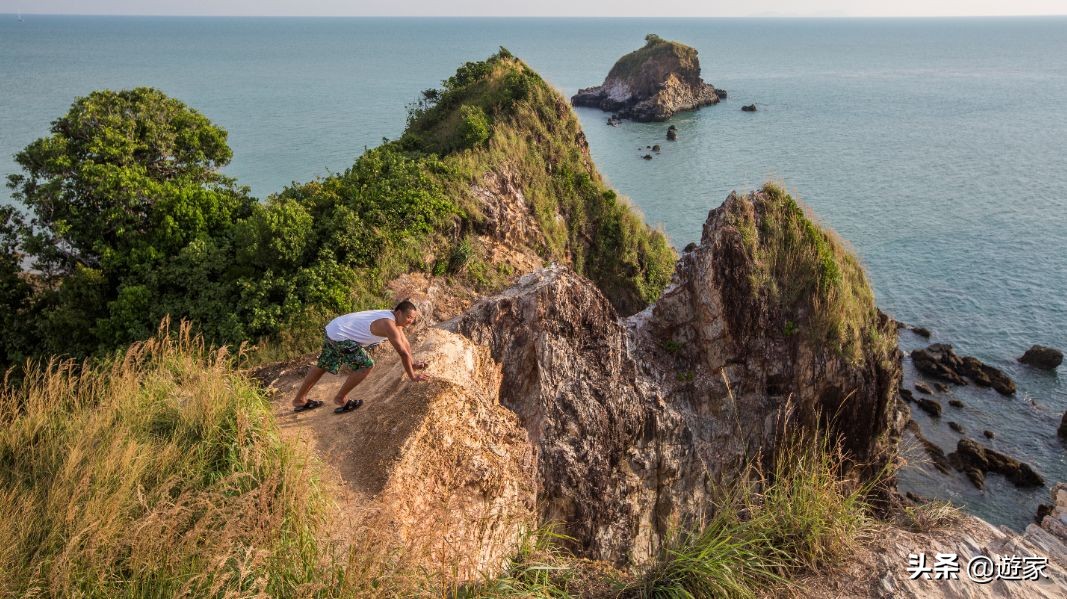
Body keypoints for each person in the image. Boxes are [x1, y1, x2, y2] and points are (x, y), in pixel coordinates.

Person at [291, 300, 429, 414]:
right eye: (409, 317)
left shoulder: (394, 320)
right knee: (366, 365)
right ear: (399, 313)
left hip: (335, 328)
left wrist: (412, 364)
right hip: (340, 336)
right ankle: (341, 399)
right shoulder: (389, 324)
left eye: (413, 318)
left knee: (323, 364)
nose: (411, 321)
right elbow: (403, 353)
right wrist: (412, 376)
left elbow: (405, 344)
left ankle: (300, 400)